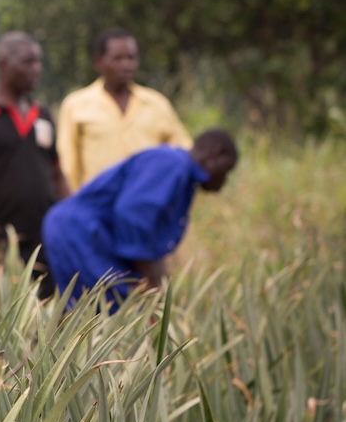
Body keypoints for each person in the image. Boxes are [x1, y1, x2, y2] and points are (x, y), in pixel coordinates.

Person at [42, 129, 238, 310]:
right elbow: (133, 215)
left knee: (105, 311)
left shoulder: (181, 173)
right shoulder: (173, 163)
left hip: (88, 234)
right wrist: (150, 279)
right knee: (104, 313)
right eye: (226, 170)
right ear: (215, 154)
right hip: (80, 233)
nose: (224, 180)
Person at [0, 32, 70, 293]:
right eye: (28, 62)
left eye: (39, 62)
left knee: (52, 313)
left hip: (47, 237)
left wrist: (71, 220)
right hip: (3, 242)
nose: (36, 69)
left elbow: (57, 175)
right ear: (3, 64)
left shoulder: (43, 116)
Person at [57, 27, 192, 190]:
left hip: (146, 202)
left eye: (131, 58)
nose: (126, 65)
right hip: (98, 205)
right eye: (117, 59)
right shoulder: (77, 105)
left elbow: (181, 152)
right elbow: (68, 164)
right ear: (98, 61)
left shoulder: (156, 104)